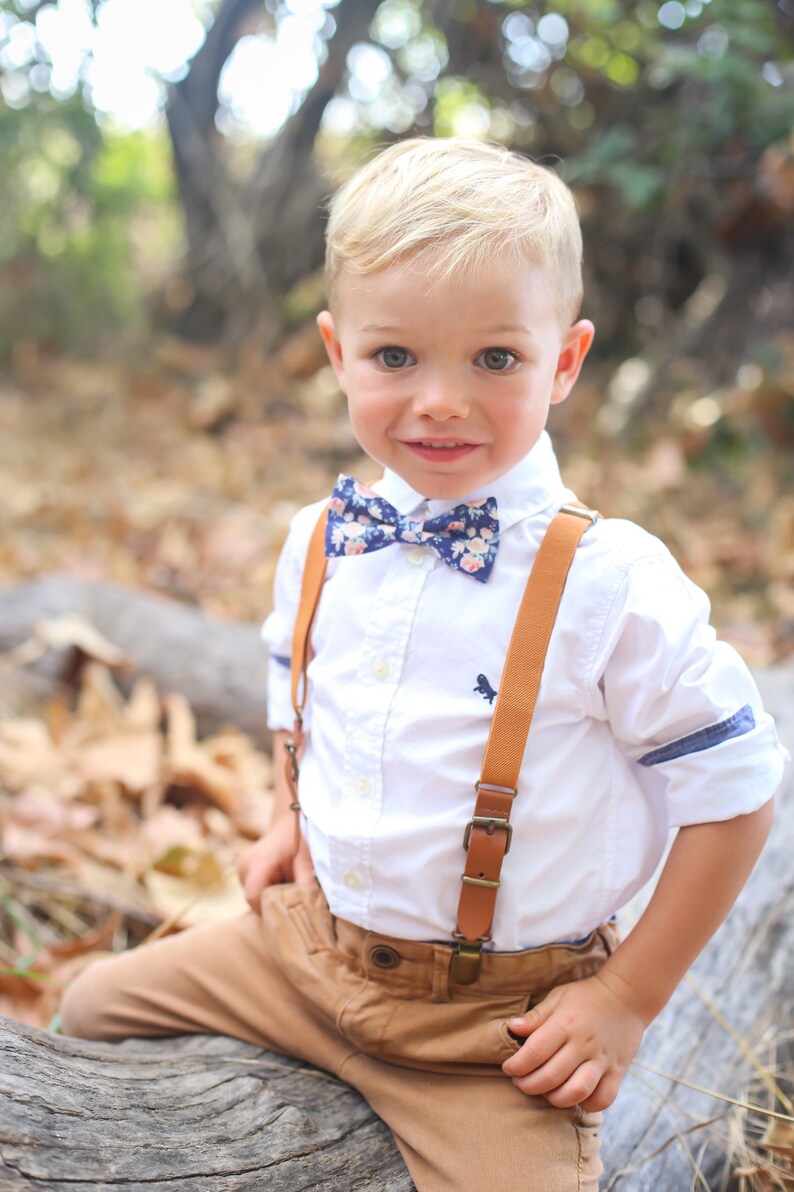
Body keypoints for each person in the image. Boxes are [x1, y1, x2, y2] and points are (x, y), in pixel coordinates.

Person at [61, 138, 786, 1191]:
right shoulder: (322, 535)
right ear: (335, 351)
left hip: (493, 1029)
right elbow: (295, 679)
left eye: (494, 359)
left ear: (564, 361)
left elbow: (737, 792)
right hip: (299, 955)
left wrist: (624, 998)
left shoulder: (607, 582)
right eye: (394, 357)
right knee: (89, 1010)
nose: (439, 400)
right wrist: (280, 818)